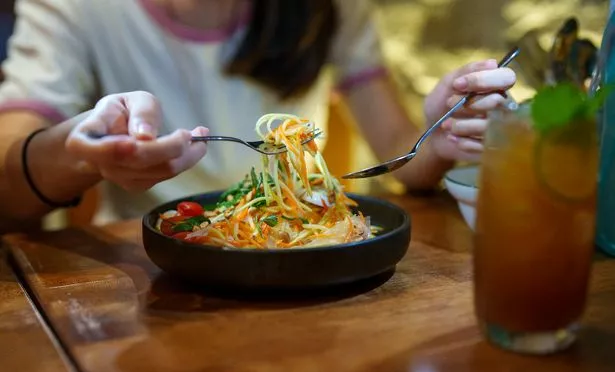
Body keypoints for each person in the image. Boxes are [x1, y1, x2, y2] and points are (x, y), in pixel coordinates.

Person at [0, 0, 516, 229]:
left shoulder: (328, 7)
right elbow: (8, 178)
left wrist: (440, 136)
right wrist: (81, 151)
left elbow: (398, 153)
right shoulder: (75, 8)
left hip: (302, 252)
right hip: (150, 266)